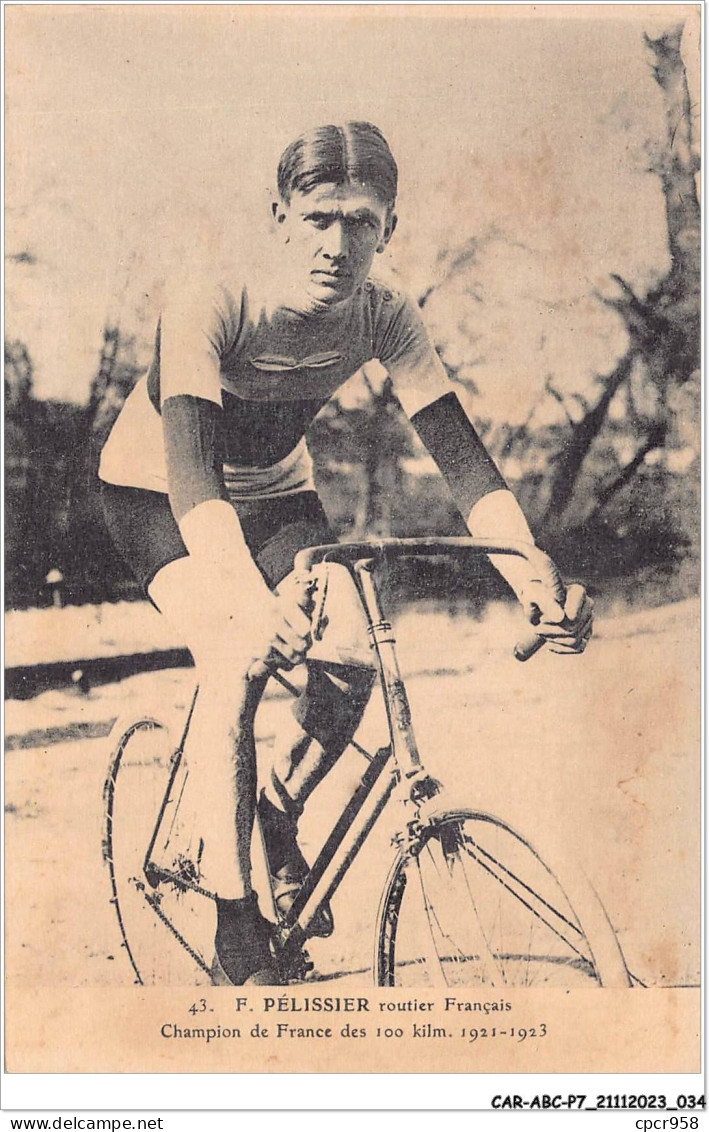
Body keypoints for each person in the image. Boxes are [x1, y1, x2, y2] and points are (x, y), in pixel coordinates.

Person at [98, 121, 593, 986]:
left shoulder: (385, 315)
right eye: (319, 217)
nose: (337, 244)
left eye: (361, 222)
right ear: (279, 215)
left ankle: (278, 807)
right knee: (236, 653)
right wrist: (250, 605)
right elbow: (192, 476)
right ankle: (233, 914)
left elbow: (462, 461)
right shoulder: (211, 297)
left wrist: (532, 575)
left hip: (276, 492)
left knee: (350, 657)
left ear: (389, 228)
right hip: (158, 494)